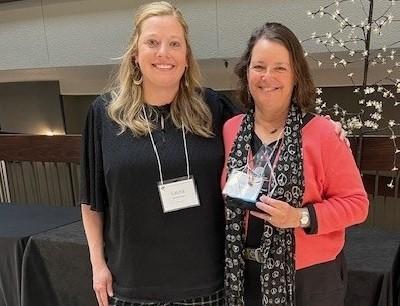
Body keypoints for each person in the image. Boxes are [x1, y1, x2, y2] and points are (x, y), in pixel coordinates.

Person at [80, 2, 349, 306]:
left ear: (186, 56)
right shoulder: (104, 113)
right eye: (152, 42)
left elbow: (268, 121)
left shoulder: (212, 108)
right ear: (135, 53)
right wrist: (97, 265)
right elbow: (92, 201)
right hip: (132, 280)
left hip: (207, 281)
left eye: (174, 44)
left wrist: (325, 126)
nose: (163, 53)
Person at [222, 22, 369, 306]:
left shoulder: (323, 133)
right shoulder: (231, 130)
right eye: (259, 66)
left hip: (309, 280)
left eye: (280, 67)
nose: (268, 77)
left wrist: (300, 217)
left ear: (295, 76)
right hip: (243, 276)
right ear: (246, 72)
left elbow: (357, 204)